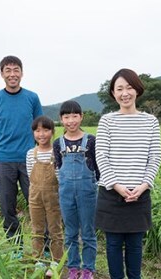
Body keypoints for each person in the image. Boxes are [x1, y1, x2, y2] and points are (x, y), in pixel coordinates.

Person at [95, 68, 161, 279]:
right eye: (119, 89)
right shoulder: (107, 120)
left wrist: (143, 186)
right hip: (112, 193)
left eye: (129, 87)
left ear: (137, 91)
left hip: (139, 194)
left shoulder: (150, 121)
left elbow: (155, 157)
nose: (125, 93)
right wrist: (118, 186)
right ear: (113, 94)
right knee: (113, 244)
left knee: (135, 245)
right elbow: (101, 156)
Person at [0, 55, 43, 253]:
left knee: (36, 203)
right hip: (3, 161)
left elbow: (40, 127)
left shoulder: (32, 98)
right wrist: (2, 146)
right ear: (2, 74)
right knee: (7, 207)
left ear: (22, 73)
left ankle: (43, 246)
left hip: (29, 160)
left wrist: (32, 149)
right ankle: (16, 248)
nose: (12, 74)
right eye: (8, 70)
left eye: (16, 70)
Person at [53, 100, 99, 279]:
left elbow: (97, 169)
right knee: (70, 232)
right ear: (61, 119)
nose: (71, 120)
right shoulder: (58, 143)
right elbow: (58, 168)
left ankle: (88, 269)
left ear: (81, 117)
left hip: (87, 192)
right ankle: (73, 268)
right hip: (65, 193)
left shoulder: (91, 141)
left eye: (74, 116)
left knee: (88, 232)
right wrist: (63, 186)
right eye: (66, 117)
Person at [26, 115, 63, 277]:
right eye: (37, 130)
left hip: (54, 197)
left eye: (46, 130)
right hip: (34, 197)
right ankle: (38, 260)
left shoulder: (57, 152)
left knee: (55, 229)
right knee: (37, 229)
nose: (42, 134)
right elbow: (29, 175)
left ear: (53, 132)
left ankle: (56, 261)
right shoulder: (30, 154)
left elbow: (60, 176)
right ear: (33, 133)